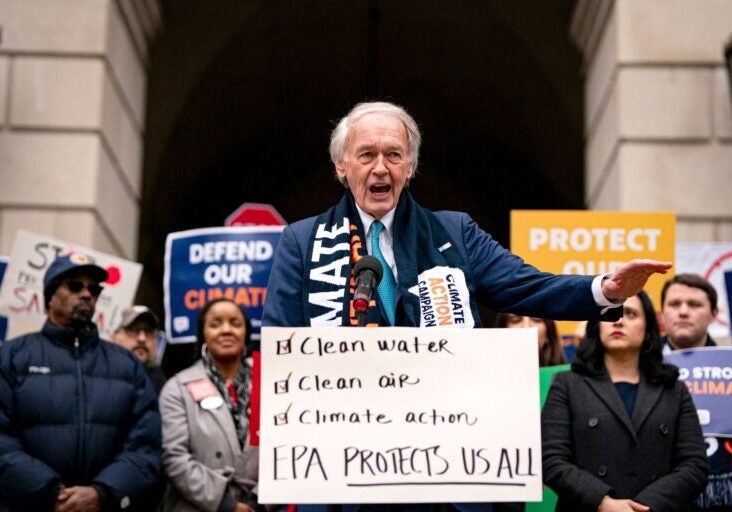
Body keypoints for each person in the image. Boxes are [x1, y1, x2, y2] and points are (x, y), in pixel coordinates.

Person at [261, 101, 671, 511]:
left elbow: (525, 285)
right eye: (367, 155)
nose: (380, 168)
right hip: (342, 478)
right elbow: (280, 356)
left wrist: (608, 289)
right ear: (341, 166)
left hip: (445, 472)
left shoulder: (454, 232)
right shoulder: (301, 242)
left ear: (410, 166)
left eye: (394, 155)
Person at [0, 254, 161, 511]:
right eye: (75, 286)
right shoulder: (10, 357)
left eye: (94, 289)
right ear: (50, 297)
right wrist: (50, 492)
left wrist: (101, 493)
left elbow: (145, 446)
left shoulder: (127, 365)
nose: (87, 294)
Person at [542, 290, 709, 512]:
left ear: (648, 329)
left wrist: (647, 504)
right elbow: (551, 459)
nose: (618, 321)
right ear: (597, 325)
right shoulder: (567, 384)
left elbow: (695, 465)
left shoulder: (674, 390)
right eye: (610, 314)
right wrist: (603, 502)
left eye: (630, 314)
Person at [159, 298, 262, 512]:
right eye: (215, 324)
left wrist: (259, 503)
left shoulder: (270, 382)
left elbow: (285, 448)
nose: (226, 330)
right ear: (203, 333)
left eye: (235, 323)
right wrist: (226, 504)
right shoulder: (177, 387)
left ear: (246, 333)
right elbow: (174, 457)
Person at [661, 274, 730, 511]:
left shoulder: (729, 367)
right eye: (674, 304)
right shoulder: (637, 367)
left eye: (694, 304)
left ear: (714, 314)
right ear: (662, 314)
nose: (683, 311)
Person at [111, 305, 167, 393]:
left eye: (148, 331)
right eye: (134, 330)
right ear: (114, 337)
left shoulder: (161, 384)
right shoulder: (98, 374)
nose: (142, 338)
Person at [497, 314, 567, 367]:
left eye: (536, 319)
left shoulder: (567, 379)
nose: (526, 327)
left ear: (548, 333)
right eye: (515, 319)